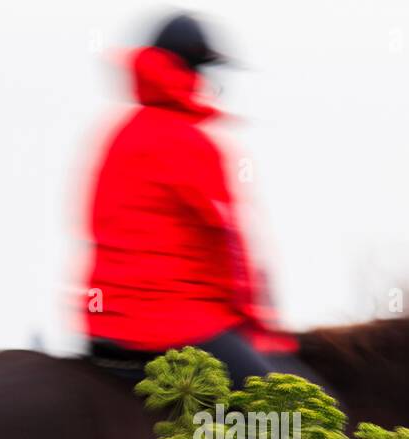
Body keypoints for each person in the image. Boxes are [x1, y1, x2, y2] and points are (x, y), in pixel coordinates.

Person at [81, 13, 321, 388]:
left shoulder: (118, 134)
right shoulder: (191, 142)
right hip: (174, 325)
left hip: (103, 324)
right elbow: (230, 248)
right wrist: (261, 326)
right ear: (195, 71)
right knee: (288, 414)